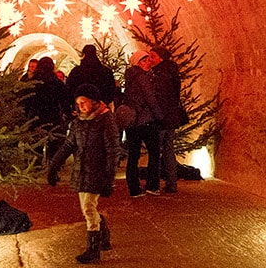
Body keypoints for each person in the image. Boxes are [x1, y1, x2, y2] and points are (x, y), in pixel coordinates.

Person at [48, 84, 121, 264]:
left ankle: (93, 250)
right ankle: (103, 235)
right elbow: (68, 146)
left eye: (84, 102)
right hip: (82, 171)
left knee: (88, 208)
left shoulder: (106, 120)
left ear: (94, 102)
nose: (80, 106)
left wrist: (109, 179)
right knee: (88, 208)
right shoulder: (78, 122)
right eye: (78, 103)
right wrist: (53, 165)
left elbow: (113, 150)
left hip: (98, 171)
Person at [121, 49, 163, 197]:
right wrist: (160, 117)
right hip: (146, 121)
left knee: (133, 154)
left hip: (132, 123)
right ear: (137, 63)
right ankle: (152, 185)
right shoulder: (143, 78)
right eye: (143, 61)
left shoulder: (130, 77)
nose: (148, 63)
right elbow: (150, 99)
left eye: (147, 60)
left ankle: (134, 187)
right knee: (154, 152)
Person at [150, 47, 189, 194]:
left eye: (153, 56)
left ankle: (153, 185)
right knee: (168, 149)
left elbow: (161, 98)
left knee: (155, 150)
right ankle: (171, 183)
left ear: (161, 58)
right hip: (172, 117)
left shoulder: (161, 74)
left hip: (163, 117)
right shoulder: (172, 72)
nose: (150, 59)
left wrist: (157, 116)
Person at [21, 56, 69, 162]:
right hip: (54, 117)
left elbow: (25, 100)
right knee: (54, 143)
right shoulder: (58, 83)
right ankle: (52, 165)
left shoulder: (32, 83)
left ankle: (35, 165)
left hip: (35, 117)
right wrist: (67, 115)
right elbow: (65, 100)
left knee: (35, 142)